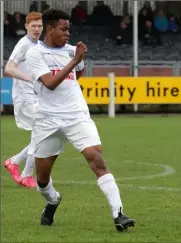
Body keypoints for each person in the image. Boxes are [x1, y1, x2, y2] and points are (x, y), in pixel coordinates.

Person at [25, 9, 135, 232]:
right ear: (50, 28)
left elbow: (77, 75)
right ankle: (53, 201)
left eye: (69, 29)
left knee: (96, 158)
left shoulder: (71, 51)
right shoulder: (35, 54)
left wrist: (75, 62)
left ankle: (119, 213)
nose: (68, 34)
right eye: (63, 29)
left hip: (76, 114)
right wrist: (74, 61)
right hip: (47, 119)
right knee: (42, 180)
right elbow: (50, 83)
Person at [3, 12, 43, 188]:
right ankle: (26, 174)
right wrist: (29, 78)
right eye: (33, 25)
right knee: (43, 133)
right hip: (25, 98)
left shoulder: (39, 44)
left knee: (43, 134)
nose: (37, 29)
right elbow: (9, 68)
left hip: (35, 97)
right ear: (26, 26)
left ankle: (14, 162)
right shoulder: (24, 44)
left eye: (39, 26)